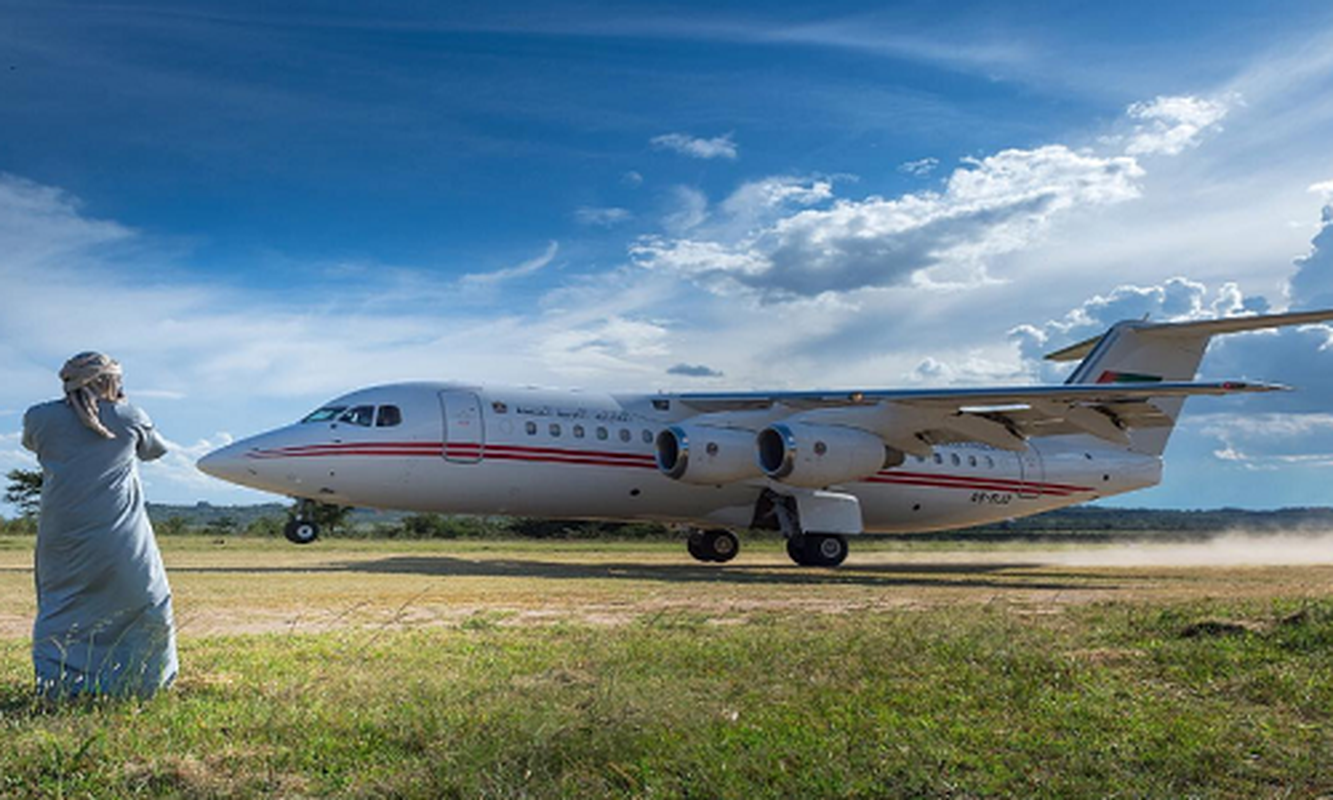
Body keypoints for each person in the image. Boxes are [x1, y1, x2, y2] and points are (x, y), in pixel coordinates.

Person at [21, 352, 178, 699]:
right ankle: (143, 683)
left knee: (61, 603)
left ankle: (58, 686)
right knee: (146, 599)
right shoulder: (129, 415)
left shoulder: (38, 417)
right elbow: (156, 451)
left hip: (60, 529)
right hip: (119, 527)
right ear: (110, 381)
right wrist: (120, 405)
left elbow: (32, 444)